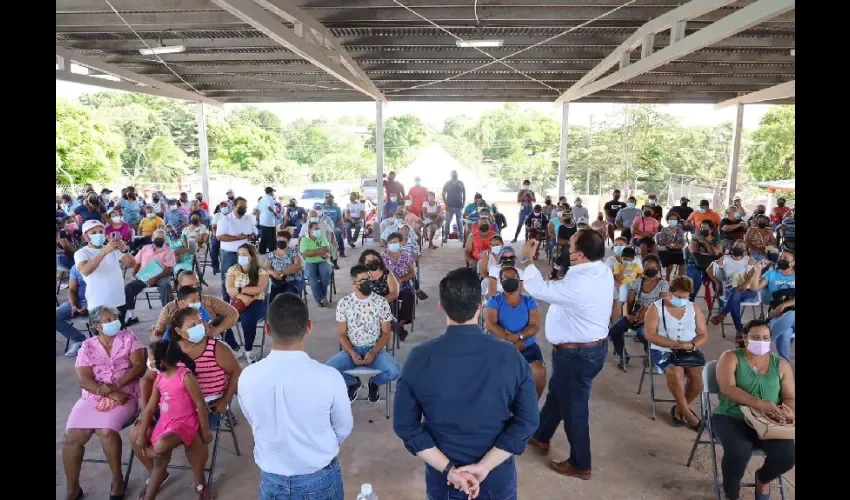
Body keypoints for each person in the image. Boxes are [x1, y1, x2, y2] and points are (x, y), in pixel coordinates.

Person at [393, 267, 539, 500]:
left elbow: (406, 426)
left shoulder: (419, 357)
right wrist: (484, 467)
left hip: (445, 481)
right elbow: (528, 420)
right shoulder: (510, 355)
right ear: (481, 305)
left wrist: (450, 470)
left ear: (441, 305)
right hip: (495, 476)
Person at [239, 293, 353, 500]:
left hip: (272, 479)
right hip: (318, 477)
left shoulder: (247, 376)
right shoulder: (329, 377)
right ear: (309, 326)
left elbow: (253, 419)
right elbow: (343, 427)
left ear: (267, 329)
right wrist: (317, 447)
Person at [519, 230, 611, 479]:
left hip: (576, 356)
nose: (566, 249)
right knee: (559, 394)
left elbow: (537, 289)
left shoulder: (578, 284)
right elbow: (567, 290)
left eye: (570, 246)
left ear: (579, 255)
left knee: (575, 410)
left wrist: (527, 259)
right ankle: (541, 436)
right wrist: (559, 280)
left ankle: (581, 464)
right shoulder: (600, 269)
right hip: (588, 350)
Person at [132, 306, 241, 498]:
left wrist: (225, 400)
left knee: (195, 437)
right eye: (193, 324)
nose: (200, 326)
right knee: (136, 435)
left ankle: (199, 481)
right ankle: (158, 472)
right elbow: (149, 378)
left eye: (200, 322)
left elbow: (236, 373)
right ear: (179, 332)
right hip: (169, 407)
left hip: (206, 406)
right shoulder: (169, 350)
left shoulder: (217, 348)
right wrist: (145, 411)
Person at [62, 306, 145, 500]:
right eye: (108, 320)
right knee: (71, 438)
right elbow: (84, 379)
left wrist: (116, 388)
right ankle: (73, 487)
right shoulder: (87, 346)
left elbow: (139, 366)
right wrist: (109, 393)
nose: (114, 321)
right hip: (92, 396)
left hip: (126, 394)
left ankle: (117, 479)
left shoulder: (128, 338)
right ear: (96, 326)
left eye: (114, 317)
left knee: (105, 431)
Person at [712, 320, 795, 500]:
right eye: (756, 337)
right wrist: (759, 403)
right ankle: (731, 493)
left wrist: (789, 411)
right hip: (731, 416)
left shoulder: (780, 364)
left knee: (787, 456)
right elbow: (728, 388)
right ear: (745, 337)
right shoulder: (731, 357)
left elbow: (789, 397)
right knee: (739, 452)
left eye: (765, 338)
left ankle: (763, 479)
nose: (761, 341)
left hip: (769, 420)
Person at [137, 335, 213, 500]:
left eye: (151, 359)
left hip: (185, 424)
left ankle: (200, 484)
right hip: (166, 423)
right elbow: (150, 407)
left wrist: (205, 430)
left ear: (162, 362)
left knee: (161, 446)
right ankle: (150, 495)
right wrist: (143, 432)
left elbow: (200, 404)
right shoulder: (160, 378)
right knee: (159, 461)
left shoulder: (185, 376)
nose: (149, 364)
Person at [327, 264, 400, 403]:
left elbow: (386, 333)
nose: (368, 283)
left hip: (375, 350)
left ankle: (375, 383)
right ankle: (353, 382)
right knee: (328, 370)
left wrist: (373, 352)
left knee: (395, 371)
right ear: (354, 283)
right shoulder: (344, 303)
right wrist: (352, 352)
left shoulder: (381, 302)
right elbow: (342, 333)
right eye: (363, 280)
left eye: (369, 279)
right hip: (352, 350)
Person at [643, 276, 708, 429]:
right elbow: (650, 335)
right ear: (670, 293)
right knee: (675, 372)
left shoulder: (694, 308)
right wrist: (672, 344)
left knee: (698, 378)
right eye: (678, 296)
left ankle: (678, 410)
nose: (682, 300)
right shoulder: (656, 308)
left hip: (688, 349)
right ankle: (687, 413)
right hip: (662, 349)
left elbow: (703, 334)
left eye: (685, 297)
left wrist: (691, 345)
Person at [484, 266, 546, 399]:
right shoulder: (494, 301)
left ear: (519, 280)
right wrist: (508, 339)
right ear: (501, 281)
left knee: (539, 371)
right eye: (505, 278)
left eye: (513, 276)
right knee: (497, 376)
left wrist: (519, 336)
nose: (509, 279)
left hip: (526, 345)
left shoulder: (529, 301)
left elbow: (534, 325)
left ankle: (531, 407)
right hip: (500, 346)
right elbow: (490, 325)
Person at [608, 255, 669, 370]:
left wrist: (647, 317)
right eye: (647, 266)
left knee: (643, 334)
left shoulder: (663, 284)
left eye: (652, 266)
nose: (650, 268)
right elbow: (630, 301)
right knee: (613, 331)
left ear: (657, 268)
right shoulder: (637, 282)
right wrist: (628, 315)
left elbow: (663, 305)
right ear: (643, 268)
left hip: (654, 316)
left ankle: (650, 355)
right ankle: (623, 355)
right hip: (637, 313)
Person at [151, 271, 239, 344]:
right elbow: (157, 333)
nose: (195, 288)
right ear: (179, 287)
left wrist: (216, 330)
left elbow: (233, 313)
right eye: (189, 286)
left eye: (196, 284)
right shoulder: (169, 309)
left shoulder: (208, 301)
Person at [75, 220, 137, 311]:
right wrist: (104, 252)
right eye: (93, 233)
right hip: (98, 301)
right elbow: (85, 271)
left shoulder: (112, 248)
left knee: (120, 324)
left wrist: (124, 250)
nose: (98, 234)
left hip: (118, 298)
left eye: (101, 232)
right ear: (86, 236)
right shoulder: (81, 253)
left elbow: (132, 264)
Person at [121, 229, 175, 327]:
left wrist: (155, 278)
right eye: (157, 238)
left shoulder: (168, 251)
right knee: (128, 288)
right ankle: (132, 317)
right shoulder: (145, 248)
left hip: (162, 275)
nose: (159, 240)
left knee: (166, 285)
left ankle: (167, 315)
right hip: (146, 275)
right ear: (152, 238)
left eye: (162, 238)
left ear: (165, 239)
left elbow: (168, 269)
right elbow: (137, 262)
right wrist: (134, 273)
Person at [225, 244, 270, 363]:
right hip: (237, 302)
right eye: (239, 254)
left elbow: (259, 289)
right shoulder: (233, 269)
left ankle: (249, 350)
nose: (241, 257)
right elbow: (229, 289)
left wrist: (239, 290)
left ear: (252, 256)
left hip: (257, 302)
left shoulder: (261, 271)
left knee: (247, 320)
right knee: (219, 319)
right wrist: (242, 297)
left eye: (244, 255)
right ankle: (234, 347)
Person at [748, 251, 795, 361]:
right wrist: (758, 270)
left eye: (785, 259)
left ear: (793, 263)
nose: (780, 260)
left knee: (791, 314)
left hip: (789, 313)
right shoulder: (771, 274)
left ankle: (758, 347)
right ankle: (785, 365)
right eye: (780, 257)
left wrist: (784, 305)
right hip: (779, 316)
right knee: (785, 333)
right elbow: (754, 288)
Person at [709, 241, 759, 341]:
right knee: (735, 296)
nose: (738, 247)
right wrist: (718, 283)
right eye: (736, 245)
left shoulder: (749, 259)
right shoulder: (725, 258)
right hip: (731, 289)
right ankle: (739, 329)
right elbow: (709, 269)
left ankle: (723, 315)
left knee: (735, 296)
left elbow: (754, 272)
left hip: (748, 291)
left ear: (745, 251)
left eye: (741, 247)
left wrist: (746, 282)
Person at [216, 197, 258, 302]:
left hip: (245, 255)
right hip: (229, 254)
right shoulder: (225, 219)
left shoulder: (248, 219)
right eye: (241, 206)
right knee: (228, 279)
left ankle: (241, 304)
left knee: (245, 279)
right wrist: (237, 238)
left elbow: (255, 232)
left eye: (245, 206)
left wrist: (252, 235)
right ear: (234, 207)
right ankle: (226, 305)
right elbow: (219, 236)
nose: (244, 208)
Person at [383, 232, 417, 334]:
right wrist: (392, 280)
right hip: (388, 284)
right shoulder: (382, 257)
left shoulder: (406, 256)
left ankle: (400, 324)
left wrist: (401, 279)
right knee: (389, 297)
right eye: (391, 242)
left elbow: (412, 273)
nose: (393, 244)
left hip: (404, 283)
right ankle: (390, 322)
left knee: (409, 295)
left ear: (400, 243)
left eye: (395, 242)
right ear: (388, 244)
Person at [685, 220, 722, 302]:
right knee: (694, 279)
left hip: (710, 266)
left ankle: (721, 303)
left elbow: (716, 252)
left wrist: (705, 242)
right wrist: (709, 253)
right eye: (701, 227)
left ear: (711, 230)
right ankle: (690, 301)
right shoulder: (695, 239)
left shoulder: (716, 240)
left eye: (705, 228)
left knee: (718, 279)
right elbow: (694, 251)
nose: (702, 229)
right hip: (696, 264)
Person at [56, 264, 89, 356]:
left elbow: (103, 292)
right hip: (78, 302)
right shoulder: (76, 267)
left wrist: (88, 305)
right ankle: (80, 340)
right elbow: (72, 289)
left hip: (97, 303)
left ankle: (97, 344)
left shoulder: (101, 266)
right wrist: (74, 305)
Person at [300, 221, 333, 307]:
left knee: (325, 274)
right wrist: (319, 251)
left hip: (324, 260)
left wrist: (311, 252)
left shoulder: (322, 237)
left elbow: (326, 249)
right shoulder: (304, 239)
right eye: (316, 229)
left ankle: (321, 298)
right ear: (309, 230)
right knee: (311, 278)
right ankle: (321, 298)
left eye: (318, 228)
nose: (318, 230)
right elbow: (304, 254)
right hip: (310, 262)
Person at [265, 230, 304, 303]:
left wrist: (282, 272)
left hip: (293, 281)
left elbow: (298, 266)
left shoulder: (293, 251)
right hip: (277, 281)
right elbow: (267, 267)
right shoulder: (272, 253)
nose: (280, 241)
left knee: (287, 298)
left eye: (283, 240)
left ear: (288, 241)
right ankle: (274, 314)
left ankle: (287, 313)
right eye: (279, 239)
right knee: (271, 300)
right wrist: (273, 273)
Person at [656, 211, 686, 281]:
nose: (673, 221)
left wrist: (678, 246)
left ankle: (679, 279)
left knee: (683, 260)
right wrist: (670, 244)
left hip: (678, 250)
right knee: (670, 260)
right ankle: (667, 277)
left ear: (677, 221)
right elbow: (661, 241)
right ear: (668, 220)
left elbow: (683, 242)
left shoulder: (680, 230)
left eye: (674, 219)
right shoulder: (664, 229)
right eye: (671, 219)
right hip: (666, 249)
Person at [613, 247, 642, 314]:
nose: (627, 262)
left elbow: (641, 274)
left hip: (632, 286)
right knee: (620, 302)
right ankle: (621, 315)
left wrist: (636, 280)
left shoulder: (635, 266)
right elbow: (618, 278)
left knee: (631, 300)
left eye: (629, 260)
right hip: (622, 286)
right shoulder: (618, 266)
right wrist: (624, 268)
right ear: (621, 257)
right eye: (625, 259)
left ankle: (629, 313)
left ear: (632, 259)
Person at [441, 170, 466, 243]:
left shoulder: (461, 183)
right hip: (449, 206)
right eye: (453, 174)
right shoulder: (447, 183)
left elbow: (464, 193)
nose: (454, 175)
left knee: (459, 221)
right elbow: (443, 194)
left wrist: (464, 202)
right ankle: (446, 236)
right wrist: (445, 204)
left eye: (455, 173)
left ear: (457, 174)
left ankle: (461, 237)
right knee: (448, 221)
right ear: (451, 175)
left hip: (459, 205)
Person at [321, 193, 347, 258]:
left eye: (330, 198)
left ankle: (341, 251)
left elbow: (340, 219)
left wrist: (338, 226)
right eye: (327, 198)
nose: (329, 199)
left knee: (337, 232)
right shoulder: (321, 207)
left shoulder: (337, 208)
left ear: (333, 199)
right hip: (321, 226)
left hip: (334, 226)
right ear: (325, 199)